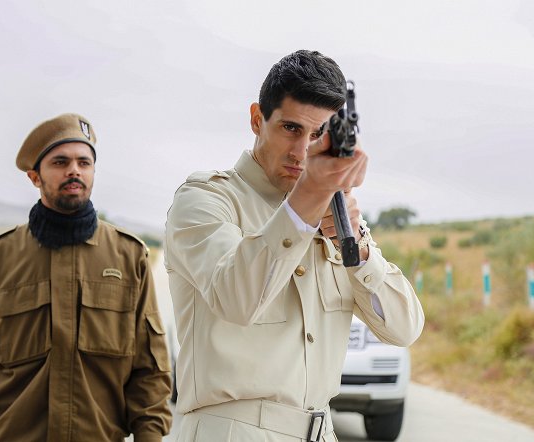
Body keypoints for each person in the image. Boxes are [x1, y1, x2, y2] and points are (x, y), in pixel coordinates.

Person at [164, 50, 424, 442]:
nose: (302, 151)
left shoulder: (336, 215)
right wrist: (303, 206)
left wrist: (359, 248)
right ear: (257, 119)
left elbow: (405, 328)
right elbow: (236, 298)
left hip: (321, 429)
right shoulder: (206, 199)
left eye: (318, 134)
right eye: (290, 128)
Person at [0, 113, 172, 442]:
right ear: (35, 177)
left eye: (83, 163)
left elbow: (150, 375)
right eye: (60, 162)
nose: (74, 170)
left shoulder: (130, 258)